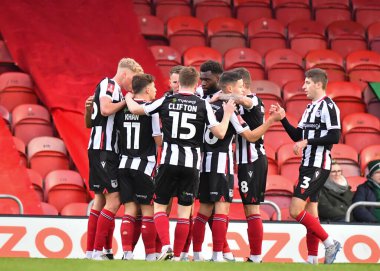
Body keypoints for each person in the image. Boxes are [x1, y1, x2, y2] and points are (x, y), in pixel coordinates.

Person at [125, 66, 236, 261]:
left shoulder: (167, 100)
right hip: (192, 164)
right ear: (195, 83)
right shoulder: (203, 104)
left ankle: (166, 246)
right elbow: (219, 133)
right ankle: (177, 257)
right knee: (184, 212)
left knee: (159, 207)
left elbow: (136, 109)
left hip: (168, 161)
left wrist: (127, 96)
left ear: (180, 82)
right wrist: (227, 113)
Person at [192, 71, 282, 262]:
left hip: (236, 161)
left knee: (209, 210)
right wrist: (272, 121)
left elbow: (248, 103)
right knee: (222, 209)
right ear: (232, 88)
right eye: (239, 87)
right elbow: (248, 135)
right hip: (225, 163)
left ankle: (199, 254)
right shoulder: (229, 109)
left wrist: (221, 95)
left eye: (242, 87)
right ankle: (220, 255)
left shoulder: (208, 105)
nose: (242, 91)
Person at [270, 68, 342, 264]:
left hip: (318, 164)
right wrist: (283, 118)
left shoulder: (329, 107)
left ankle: (329, 243)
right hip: (307, 164)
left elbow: (335, 136)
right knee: (312, 212)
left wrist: (307, 142)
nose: (303, 87)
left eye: (307, 83)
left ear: (319, 84)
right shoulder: (310, 108)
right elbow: (297, 136)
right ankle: (312, 260)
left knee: (295, 210)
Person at [86, 58, 143, 260]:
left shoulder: (113, 89)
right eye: (133, 79)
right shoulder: (109, 84)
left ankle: (99, 251)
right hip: (104, 150)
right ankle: (95, 251)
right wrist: (127, 100)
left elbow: (92, 119)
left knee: (100, 200)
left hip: (103, 150)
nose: (133, 85)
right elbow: (105, 110)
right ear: (126, 74)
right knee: (114, 199)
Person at [116, 74, 162, 261]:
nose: (156, 90)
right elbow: (158, 140)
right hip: (144, 165)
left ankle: (127, 253)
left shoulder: (122, 108)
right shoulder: (151, 110)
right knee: (147, 212)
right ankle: (150, 255)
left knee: (129, 211)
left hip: (124, 164)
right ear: (147, 89)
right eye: (154, 87)